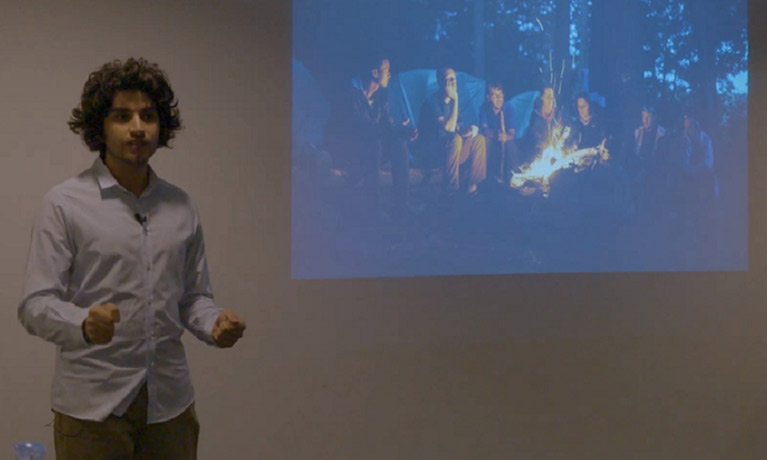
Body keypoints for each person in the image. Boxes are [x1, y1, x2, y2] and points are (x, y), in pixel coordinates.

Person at [18, 58, 246, 459]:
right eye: (122, 116)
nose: (138, 128)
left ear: (162, 127)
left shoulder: (181, 205)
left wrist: (215, 323)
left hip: (169, 406)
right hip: (92, 409)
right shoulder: (65, 203)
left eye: (148, 116)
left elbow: (193, 298)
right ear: (100, 127)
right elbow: (35, 305)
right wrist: (83, 324)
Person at [324, 56, 416, 221]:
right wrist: (388, 130)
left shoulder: (382, 94)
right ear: (375, 72)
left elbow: (387, 123)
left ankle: (402, 204)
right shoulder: (349, 93)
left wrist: (401, 130)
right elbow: (358, 127)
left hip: (373, 148)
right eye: (387, 70)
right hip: (352, 152)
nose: (389, 74)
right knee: (374, 142)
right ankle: (373, 206)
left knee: (400, 143)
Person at [418, 67, 486, 195]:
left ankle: (472, 188)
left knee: (478, 139)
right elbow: (448, 128)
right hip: (432, 152)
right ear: (440, 82)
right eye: (448, 79)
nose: (452, 82)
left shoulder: (453, 104)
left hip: (450, 149)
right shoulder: (432, 102)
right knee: (455, 139)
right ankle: (451, 190)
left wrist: (469, 130)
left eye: (453, 78)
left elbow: (457, 127)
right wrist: (455, 99)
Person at [479, 81, 519, 182]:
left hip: (506, 140)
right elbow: (484, 130)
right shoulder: (484, 108)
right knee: (485, 142)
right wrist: (496, 134)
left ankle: (512, 179)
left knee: (511, 146)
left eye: (501, 95)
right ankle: (487, 178)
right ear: (488, 97)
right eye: (495, 95)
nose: (499, 98)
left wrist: (505, 136)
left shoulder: (509, 108)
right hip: (493, 139)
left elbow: (512, 133)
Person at [524, 84, 560, 162]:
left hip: (556, 150)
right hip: (539, 151)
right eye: (547, 97)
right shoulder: (536, 114)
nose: (550, 99)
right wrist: (541, 144)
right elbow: (532, 134)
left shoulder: (558, 115)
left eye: (551, 97)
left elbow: (563, 132)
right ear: (542, 97)